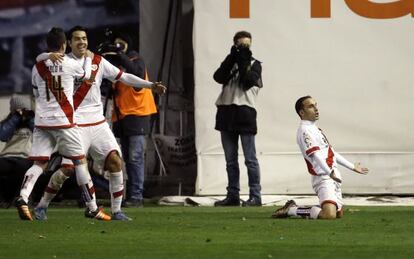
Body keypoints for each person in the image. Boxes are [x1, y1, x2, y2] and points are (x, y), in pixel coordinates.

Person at [33, 26, 165, 220]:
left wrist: (150, 86)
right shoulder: (60, 62)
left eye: (84, 38)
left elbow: (124, 77)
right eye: (77, 39)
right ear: (68, 43)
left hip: (97, 123)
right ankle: (42, 205)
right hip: (74, 124)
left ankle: (117, 210)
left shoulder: (97, 61)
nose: (82, 42)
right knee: (69, 169)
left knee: (115, 161)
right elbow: (40, 65)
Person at [14, 27, 108, 221]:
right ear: (65, 44)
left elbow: (36, 93)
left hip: (42, 121)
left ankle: (23, 197)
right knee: (80, 162)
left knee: (40, 163)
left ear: (47, 46)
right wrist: (89, 57)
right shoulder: (70, 63)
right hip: (64, 121)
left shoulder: (37, 67)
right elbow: (86, 76)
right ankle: (92, 207)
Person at [272, 96, 369, 219]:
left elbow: (331, 152)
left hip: (332, 174)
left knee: (337, 213)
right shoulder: (305, 131)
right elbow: (315, 155)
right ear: (301, 112)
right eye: (311, 106)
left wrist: (352, 167)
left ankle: (296, 207)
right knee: (329, 215)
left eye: (316, 105)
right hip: (323, 176)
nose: (316, 109)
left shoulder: (315, 129)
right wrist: (329, 172)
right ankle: (291, 210)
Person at [213, 31, 263, 207]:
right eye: (241, 45)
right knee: (230, 160)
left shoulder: (255, 64)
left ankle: (255, 196)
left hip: (246, 113)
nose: (244, 48)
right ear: (234, 44)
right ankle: (233, 195)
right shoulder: (230, 63)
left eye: (247, 45)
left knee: (250, 159)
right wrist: (231, 57)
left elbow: (247, 80)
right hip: (226, 112)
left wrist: (242, 57)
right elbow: (218, 77)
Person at [108, 32, 158, 207]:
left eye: (121, 44)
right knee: (127, 158)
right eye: (116, 44)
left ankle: (136, 196)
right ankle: (130, 195)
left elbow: (137, 74)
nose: (118, 47)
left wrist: (120, 55)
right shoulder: (116, 65)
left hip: (138, 114)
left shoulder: (136, 59)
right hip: (122, 116)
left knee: (136, 157)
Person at [0, 95, 34, 205]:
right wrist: (16, 117)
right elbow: (3, 136)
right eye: (21, 109)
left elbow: (38, 133)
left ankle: (13, 198)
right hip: (6, 156)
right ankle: (3, 199)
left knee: (21, 169)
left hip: (25, 157)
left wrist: (29, 118)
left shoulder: (33, 122)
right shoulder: (8, 122)